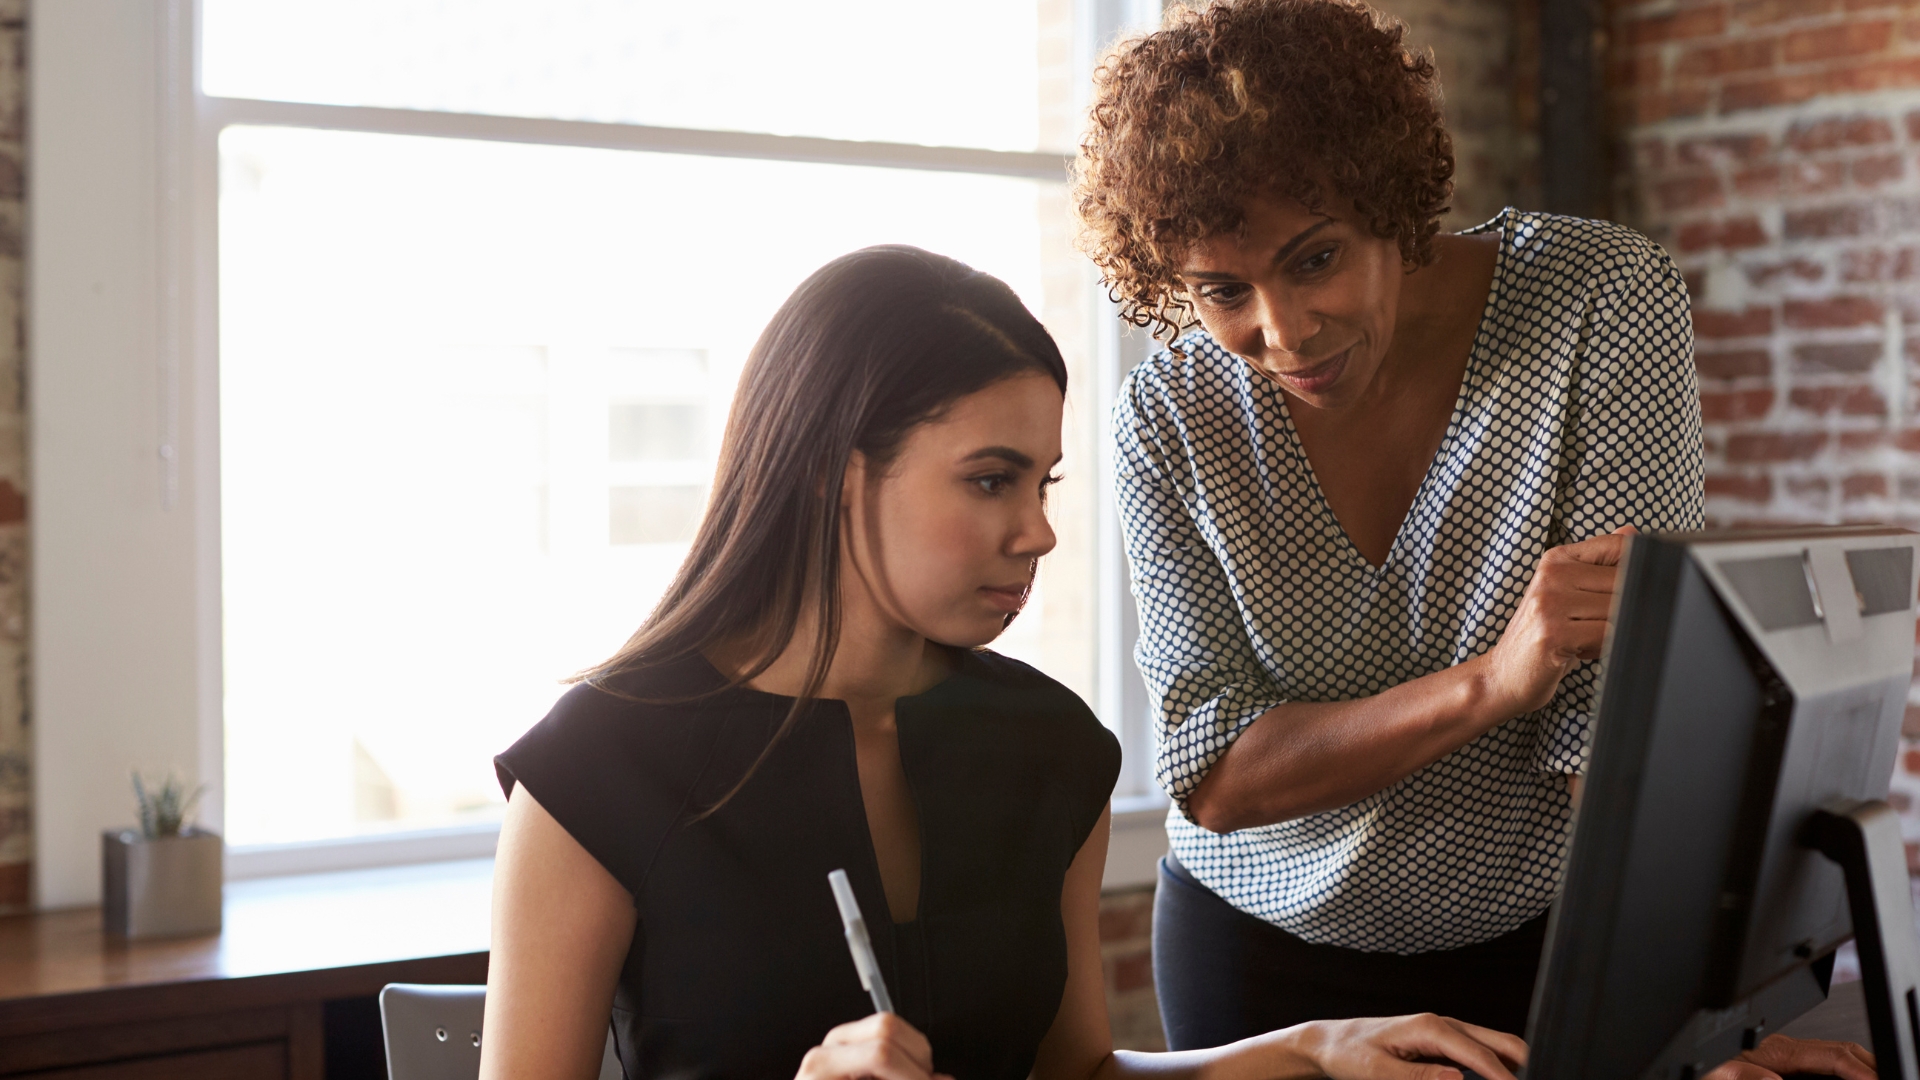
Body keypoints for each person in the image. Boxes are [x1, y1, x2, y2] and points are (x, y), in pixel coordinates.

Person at [477, 245, 1532, 1080]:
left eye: (1045, 485)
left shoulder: (1051, 748)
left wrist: (1308, 1049)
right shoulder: (597, 772)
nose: (1038, 532)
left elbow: (1076, 1071)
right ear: (831, 478)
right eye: (990, 481)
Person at [1075, 2, 1868, 1074]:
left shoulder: (1596, 301)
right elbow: (1213, 771)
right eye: (1224, 290)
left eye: (1317, 259)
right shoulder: (1167, 414)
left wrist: (1687, 1036)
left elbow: (1616, 732)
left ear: (1391, 202)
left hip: (1543, 945)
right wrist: (1492, 683)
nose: (1285, 331)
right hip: (1255, 960)